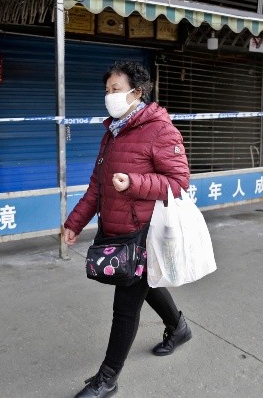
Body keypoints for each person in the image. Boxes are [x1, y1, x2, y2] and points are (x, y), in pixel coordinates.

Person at [63, 61, 193, 398]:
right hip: (116, 229)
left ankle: (107, 379)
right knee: (143, 282)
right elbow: (97, 186)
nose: (109, 96)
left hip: (144, 232)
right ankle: (178, 327)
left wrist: (134, 182)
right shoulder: (113, 132)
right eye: (107, 90)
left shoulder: (161, 130)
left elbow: (179, 183)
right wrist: (75, 222)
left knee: (125, 304)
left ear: (137, 92)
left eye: (116, 90)